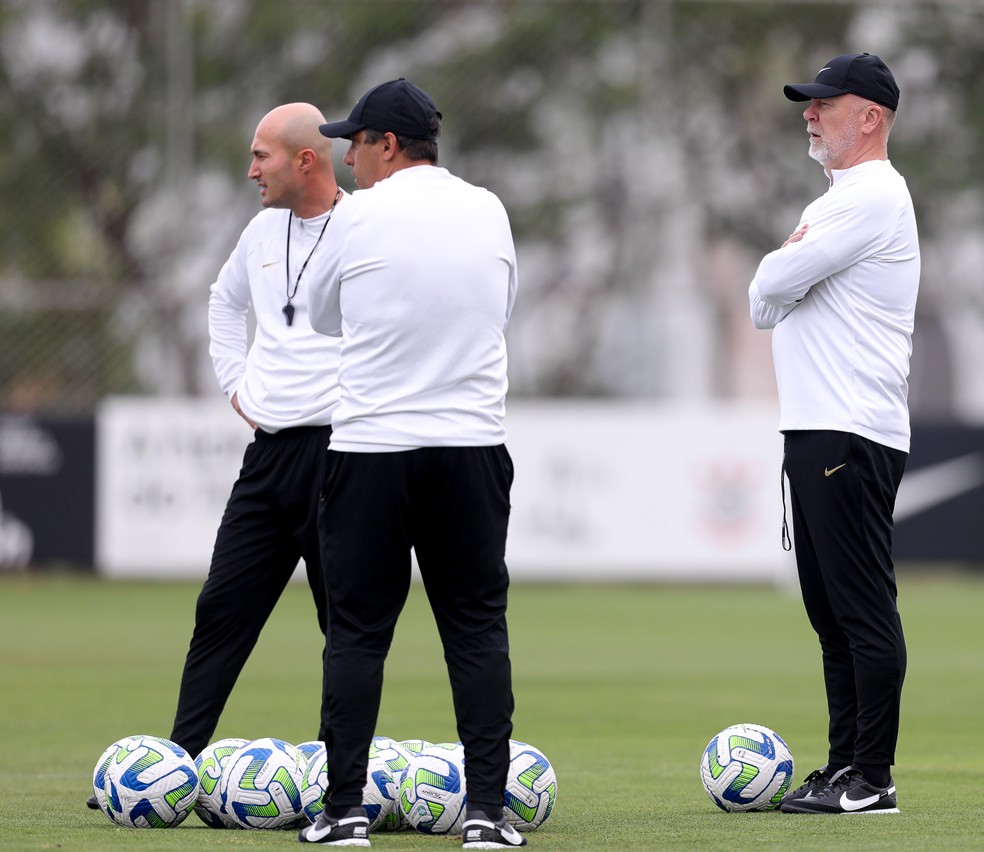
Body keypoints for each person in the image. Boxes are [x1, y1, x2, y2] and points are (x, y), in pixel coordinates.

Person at [88, 103, 346, 809]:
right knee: (221, 608)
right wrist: (236, 384)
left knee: (344, 626)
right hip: (267, 460)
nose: (249, 169)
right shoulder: (262, 231)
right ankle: (172, 770)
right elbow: (222, 301)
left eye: (261, 155)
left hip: (343, 458)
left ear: (305, 160)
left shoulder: (364, 230)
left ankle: (336, 781)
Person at [297, 79, 525, 849]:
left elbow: (324, 315)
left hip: (372, 451)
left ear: (387, 146)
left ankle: (344, 812)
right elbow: (500, 304)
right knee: (476, 630)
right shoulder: (488, 208)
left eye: (354, 143)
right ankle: (488, 816)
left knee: (358, 633)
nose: (348, 157)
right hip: (470, 446)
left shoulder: (355, 217)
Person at [748, 53, 919, 815]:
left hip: (848, 430)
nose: (809, 113)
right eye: (808, 103)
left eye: (825, 102)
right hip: (821, 429)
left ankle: (871, 777)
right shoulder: (843, 200)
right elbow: (763, 304)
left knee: (859, 610)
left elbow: (771, 285)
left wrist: (782, 267)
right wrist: (780, 272)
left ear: (870, 117)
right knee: (830, 615)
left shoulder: (872, 194)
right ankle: (846, 764)